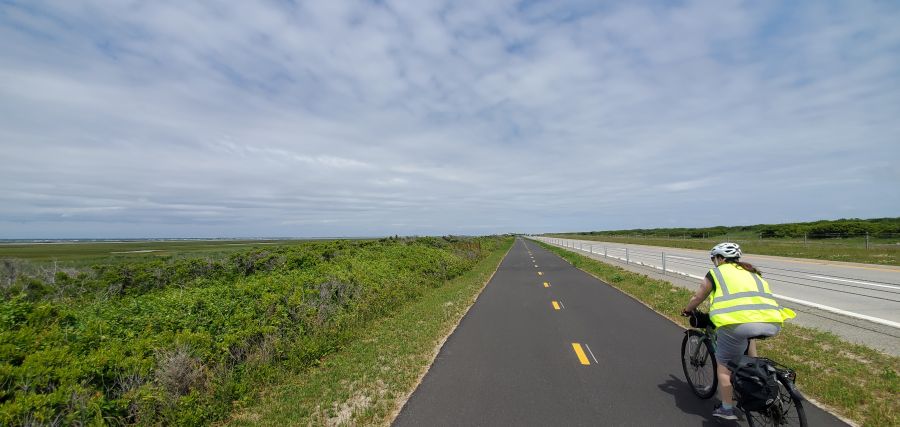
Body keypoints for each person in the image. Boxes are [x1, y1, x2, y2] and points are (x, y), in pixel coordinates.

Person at [681, 242, 795, 420]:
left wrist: (687, 310)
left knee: (724, 367)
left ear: (721, 258)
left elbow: (698, 296)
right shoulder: (751, 271)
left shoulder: (717, 273)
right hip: (772, 321)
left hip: (739, 324)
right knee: (749, 352)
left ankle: (726, 409)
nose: (714, 262)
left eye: (714, 259)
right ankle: (762, 382)